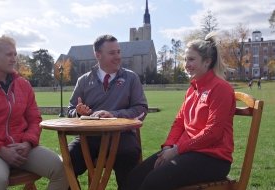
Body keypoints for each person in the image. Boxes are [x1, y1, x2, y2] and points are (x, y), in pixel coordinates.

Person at [124, 32, 236, 190]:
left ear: (207, 62)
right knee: (134, 178)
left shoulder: (221, 89)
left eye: (191, 59)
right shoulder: (193, 89)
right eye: (185, 59)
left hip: (213, 158)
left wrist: (177, 150)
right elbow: (179, 122)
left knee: (153, 182)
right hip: (185, 151)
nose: (186, 64)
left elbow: (213, 133)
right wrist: (168, 147)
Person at [0, 35, 69, 190]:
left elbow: (35, 119)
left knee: (64, 169)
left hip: (22, 148)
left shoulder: (24, 85)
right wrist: (0, 149)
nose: (14, 58)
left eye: (15, 54)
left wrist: (28, 143)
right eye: (9, 54)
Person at [67, 34, 148, 189]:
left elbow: (141, 109)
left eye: (118, 52)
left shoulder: (131, 78)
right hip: (88, 138)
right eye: (112, 53)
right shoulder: (84, 80)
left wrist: (115, 115)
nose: (118, 57)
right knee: (66, 164)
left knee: (129, 156)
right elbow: (70, 110)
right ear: (98, 55)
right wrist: (78, 113)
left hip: (122, 137)